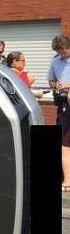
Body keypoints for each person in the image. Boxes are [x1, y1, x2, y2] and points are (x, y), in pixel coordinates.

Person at [47, 35, 70, 192]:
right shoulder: (55, 61)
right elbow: (51, 81)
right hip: (63, 103)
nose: (61, 53)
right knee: (63, 139)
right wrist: (57, 85)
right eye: (58, 51)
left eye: (63, 50)